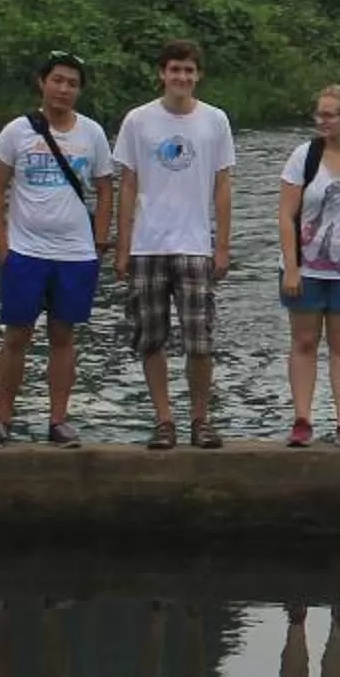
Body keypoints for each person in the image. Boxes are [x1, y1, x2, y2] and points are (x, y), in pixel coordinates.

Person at [111, 41, 236, 452]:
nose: (181, 77)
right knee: (152, 337)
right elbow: (127, 184)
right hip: (148, 245)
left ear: (198, 75)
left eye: (189, 70)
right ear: (161, 73)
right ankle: (164, 420)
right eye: (174, 70)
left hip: (195, 243)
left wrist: (222, 245)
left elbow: (222, 186)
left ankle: (201, 419)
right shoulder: (138, 120)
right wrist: (122, 244)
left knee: (200, 340)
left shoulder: (215, 120)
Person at [0, 53, 113, 448]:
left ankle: (58, 421)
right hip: (25, 250)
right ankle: (3, 421)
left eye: (72, 83)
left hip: (75, 253)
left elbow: (106, 187)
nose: (64, 89)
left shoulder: (91, 133)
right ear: (42, 83)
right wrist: (2, 245)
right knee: (16, 335)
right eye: (57, 80)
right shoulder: (17, 131)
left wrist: (100, 239)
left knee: (63, 336)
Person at [279, 84, 340, 448]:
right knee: (304, 341)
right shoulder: (304, 156)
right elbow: (286, 216)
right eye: (319, 114)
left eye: (329, 114)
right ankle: (302, 419)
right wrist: (292, 267)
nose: (322, 120)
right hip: (306, 267)